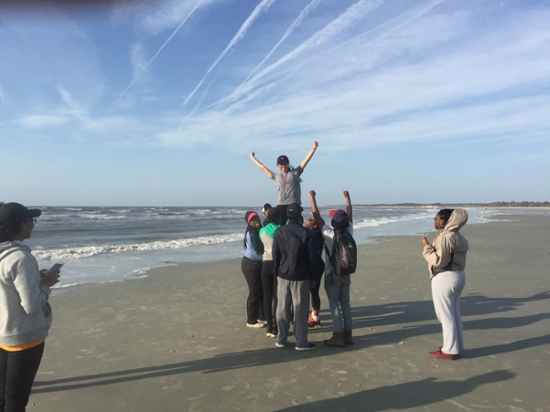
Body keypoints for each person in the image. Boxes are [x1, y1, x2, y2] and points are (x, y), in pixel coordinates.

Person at [0, 202, 61, 411]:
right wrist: (46, 285)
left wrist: (34, 278)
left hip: (3, 335)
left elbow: (6, 290)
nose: (33, 225)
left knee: (3, 397)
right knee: (16, 401)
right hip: (24, 338)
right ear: (22, 225)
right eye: (31, 221)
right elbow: (32, 305)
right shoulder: (20, 257)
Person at [272, 203, 323, 351]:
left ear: (288, 216)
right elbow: (312, 258)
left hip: (283, 274)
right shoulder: (307, 234)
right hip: (300, 276)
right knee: (300, 310)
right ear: (300, 216)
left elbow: (276, 255)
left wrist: (276, 272)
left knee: (282, 308)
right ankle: (301, 342)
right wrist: (313, 276)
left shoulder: (279, 232)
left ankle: (281, 338)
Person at [421, 208, 469, 360]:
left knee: (445, 315)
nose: (434, 221)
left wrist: (427, 247)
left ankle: (449, 349)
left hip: (445, 277)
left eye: (436, 219)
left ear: (444, 221)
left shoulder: (446, 237)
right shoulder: (458, 236)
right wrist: (436, 242)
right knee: (454, 314)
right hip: (459, 275)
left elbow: (439, 261)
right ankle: (456, 346)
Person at [309, 190, 355, 348]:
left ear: (334, 222)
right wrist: (348, 199)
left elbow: (317, 217)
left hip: (332, 273)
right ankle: (348, 334)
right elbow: (349, 214)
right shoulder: (349, 231)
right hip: (347, 272)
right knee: (346, 304)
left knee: (334, 304)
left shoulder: (329, 234)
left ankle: (338, 335)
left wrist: (312, 198)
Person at [250, 141, 319, 223]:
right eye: (281, 165)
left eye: (285, 164)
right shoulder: (276, 176)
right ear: (278, 166)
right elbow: (262, 167)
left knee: (295, 225)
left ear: (288, 164)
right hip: (281, 204)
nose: (283, 166)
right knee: (279, 225)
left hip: (294, 204)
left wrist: (314, 148)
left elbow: (306, 160)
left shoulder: (296, 173)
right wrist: (253, 158)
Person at [259, 208, 284, 338]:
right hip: (277, 264)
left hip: (265, 263)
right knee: (276, 298)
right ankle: (275, 327)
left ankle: (269, 327)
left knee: (267, 297)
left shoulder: (262, 231)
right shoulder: (282, 230)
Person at [241, 211, 265, 328]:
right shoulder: (250, 234)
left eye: (257, 219)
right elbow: (254, 252)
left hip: (257, 263)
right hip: (251, 264)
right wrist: (268, 258)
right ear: (248, 222)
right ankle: (251, 320)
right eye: (253, 220)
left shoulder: (259, 231)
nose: (256, 222)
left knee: (261, 290)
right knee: (254, 291)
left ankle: (261, 316)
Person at [304, 216, 324, 328]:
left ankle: (314, 318)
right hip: (318, 264)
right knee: (314, 291)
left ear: (315, 225)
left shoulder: (312, 235)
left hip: (313, 265)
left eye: (310, 221)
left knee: (311, 291)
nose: (307, 221)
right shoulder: (317, 235)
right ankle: (315, 317)